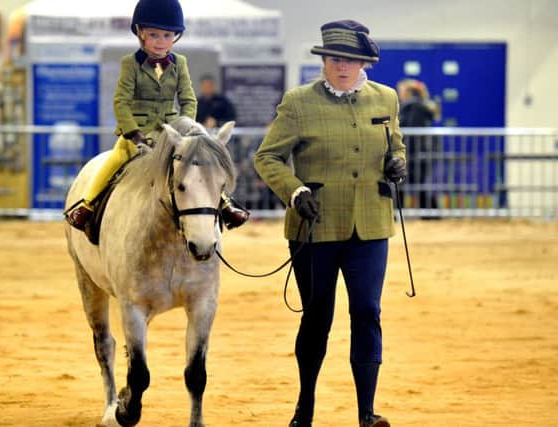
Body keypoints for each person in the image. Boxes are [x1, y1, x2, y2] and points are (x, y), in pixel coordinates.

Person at [254, 20, 406, 427]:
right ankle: (305, 408)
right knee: (317, 316)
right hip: (315, 225)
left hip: (371, 227)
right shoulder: (298, 102)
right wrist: (295, 191)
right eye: (336, 59)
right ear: (324, 61)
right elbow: (266, 157)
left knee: (367, 311)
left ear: (363, 63)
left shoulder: (386, 98)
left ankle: (367, 413)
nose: (343, 66)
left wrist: (398, 164)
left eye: (351, 60)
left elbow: (397, 145)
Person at [66, 0, 248, 230]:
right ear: (141, 33)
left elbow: (188, 99)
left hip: (172, 129)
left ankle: (224, 203)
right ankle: (88, 204)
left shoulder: (180, 63)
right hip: (139, 131)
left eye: (167, 35)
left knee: (199, 163)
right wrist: (132, 132)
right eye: (154, 35)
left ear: (175, 36)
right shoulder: (130, 64)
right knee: (116, 159)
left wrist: (188, 127)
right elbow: (121, 101)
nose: (161, 42)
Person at [396, 79, 439, 212]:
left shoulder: (413, 107)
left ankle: (428, 213)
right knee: (417, 184)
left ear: (408, 92)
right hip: (418, 152)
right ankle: (429, 213)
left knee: (407, 183)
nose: (399, 94)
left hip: (414, 152)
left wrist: (404, 150)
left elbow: (411, 130)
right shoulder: (417, 106)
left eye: (401, 91)